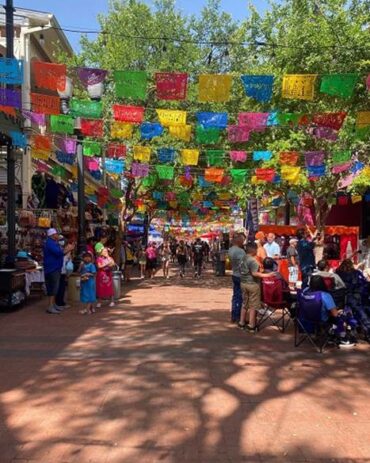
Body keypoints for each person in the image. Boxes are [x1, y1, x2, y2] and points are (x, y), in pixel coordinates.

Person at [305, 275, 356, 348]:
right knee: (344, 314)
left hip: (306, 318)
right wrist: (340, 311)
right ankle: (342, 338)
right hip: (321, 319)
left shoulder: (305, 292)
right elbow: (335, 314)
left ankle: (328, 333)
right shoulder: (325, 295)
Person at [238, 243, 275, 332]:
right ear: (254, 250)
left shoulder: (242, 258)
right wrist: (267, 275)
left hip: (243, 283)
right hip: (252, 284)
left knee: (245, 303)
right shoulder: (252, 261)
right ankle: (251, 325)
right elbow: (255, 273)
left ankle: (241, 322)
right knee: (253, 305)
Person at [43, 228, 73, 314]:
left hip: (54, 267)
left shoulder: (52, 242)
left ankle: (53, 304)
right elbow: (59, 253)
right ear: (52, 235)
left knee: (54, 287)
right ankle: (50, 306)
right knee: (53, 287)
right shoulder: (50, 243)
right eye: (56, 234)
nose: (57, 235)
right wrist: (68, 249)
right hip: (52, 268)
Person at [228, 232, 246, 323]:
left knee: (235, 296)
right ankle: (238, 316)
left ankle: (233, 315)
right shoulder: (241, 251)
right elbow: (243, 264)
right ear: (238, 241)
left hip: (234, 274)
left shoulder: (230, 250)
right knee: (241, 297)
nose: (243, 242)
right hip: (241, 275)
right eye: (242, 240)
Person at [55, 236, 74, 309]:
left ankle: (60, 302)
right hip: (60, 270)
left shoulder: (62, 249)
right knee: (60, 287)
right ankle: (59, 303)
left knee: (62, 287)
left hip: (62, 271)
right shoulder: (59, 250)